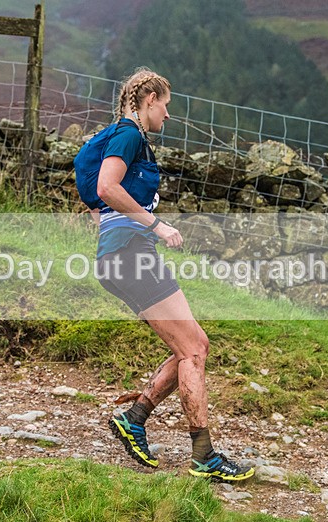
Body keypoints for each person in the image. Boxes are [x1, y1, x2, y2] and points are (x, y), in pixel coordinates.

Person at [96, 67, 253, 481]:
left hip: (128, 255)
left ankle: (134, 418)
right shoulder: (129, 134)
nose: (167, 114)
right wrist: (157, 226)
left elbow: (93, 179)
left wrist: (109, 226)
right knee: (193, 350)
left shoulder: (129, 137)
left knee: (195, 344)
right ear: (149, 99)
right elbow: (106, 186)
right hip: (131, 256)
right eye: (165, 105)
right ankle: (204, 456)